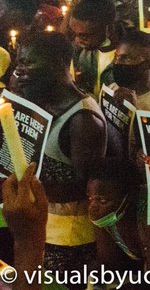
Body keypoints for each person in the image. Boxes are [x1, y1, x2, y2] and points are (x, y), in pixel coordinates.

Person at [10, 32, 107, 270]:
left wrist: (26, 185)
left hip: (68, 239)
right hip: (42, 228)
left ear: (57, 64)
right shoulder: (43, 100)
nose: (19, 71)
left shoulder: (83, 120)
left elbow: (84, 188)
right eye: (19, 62)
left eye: (28, 62)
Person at [68, 0, 119, 101]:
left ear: (109, 29)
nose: (77, 40)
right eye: (74, 34)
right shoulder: (80, 52)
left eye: (85, 36)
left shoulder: (124, 60)